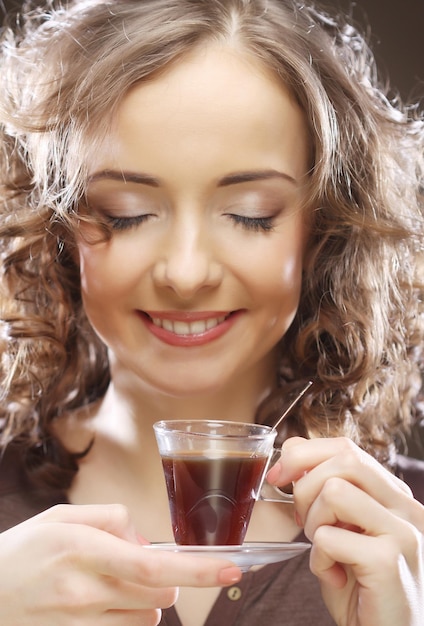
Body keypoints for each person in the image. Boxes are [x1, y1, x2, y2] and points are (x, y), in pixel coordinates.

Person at [0, 0, 423, 624]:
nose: (187, 272)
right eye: (126, 213)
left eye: (251, 213)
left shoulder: (408, 538)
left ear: (324, 228)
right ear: (57, 222)